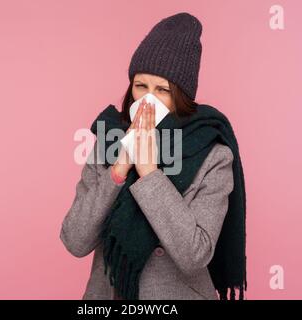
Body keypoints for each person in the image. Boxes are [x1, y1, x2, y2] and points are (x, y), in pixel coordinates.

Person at [60, 12, 247, 300]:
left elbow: (195, 254)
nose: (148, 100)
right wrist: (120, 166)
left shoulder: (213, 154)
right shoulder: (108, 143)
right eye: (141, 86)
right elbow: (75, 240)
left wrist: (148, 171)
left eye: (163, 90)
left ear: (181, 96)